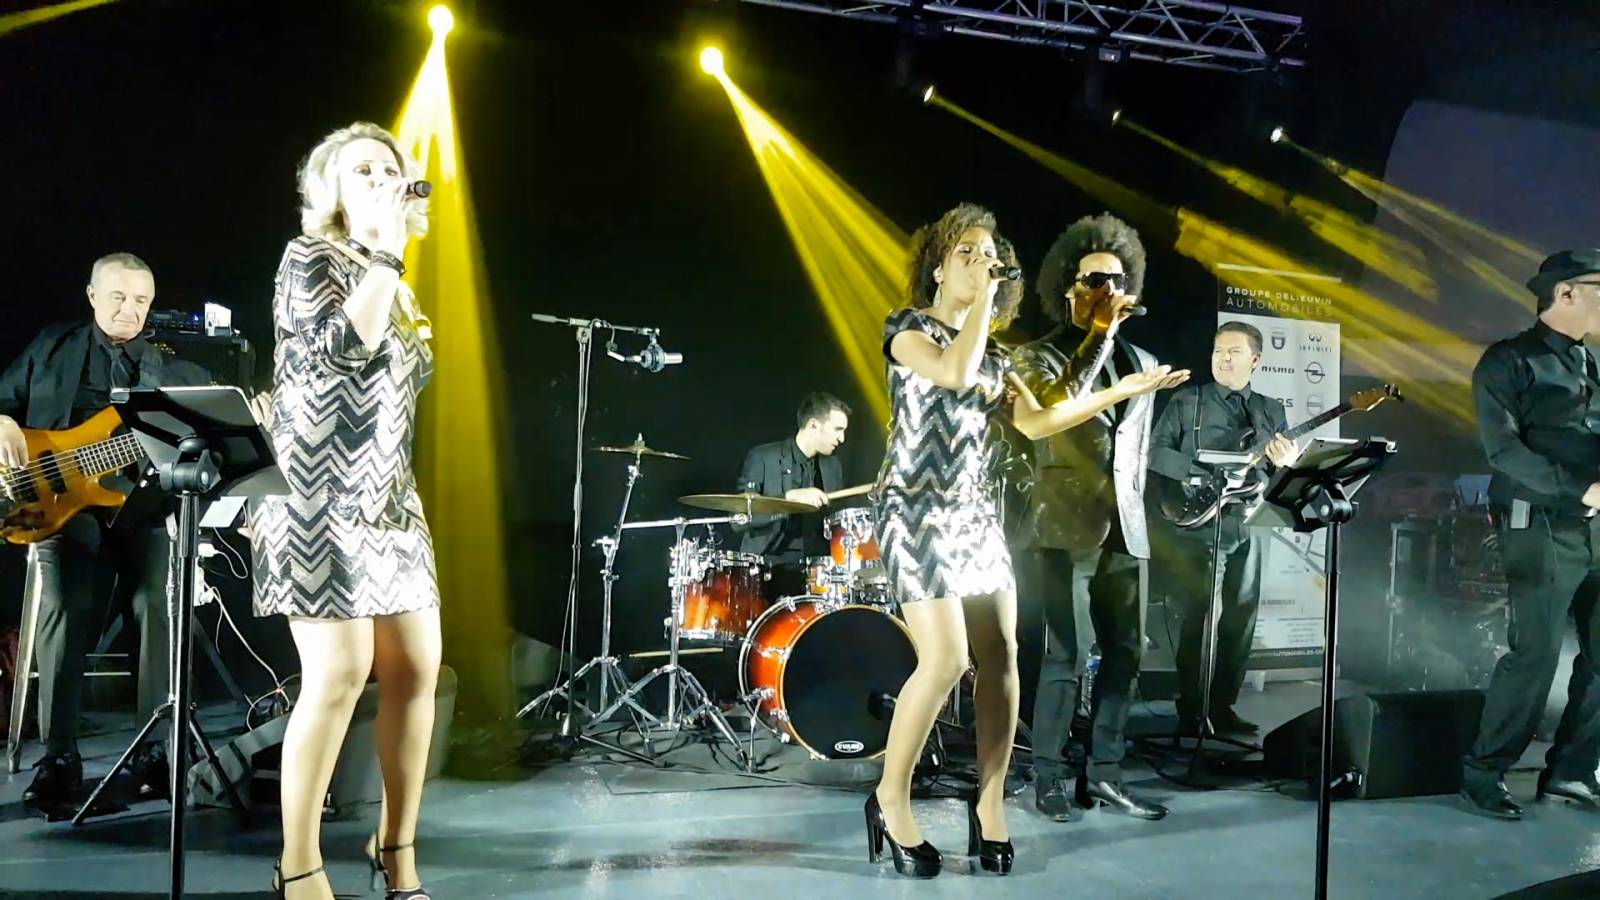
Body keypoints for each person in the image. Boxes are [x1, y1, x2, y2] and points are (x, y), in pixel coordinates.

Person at [866, 202, 1186, 878]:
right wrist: (985, 298)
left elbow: (1040, 421)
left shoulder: (995, 355)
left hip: (975, 513)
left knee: (1002, 655)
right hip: (915, 509)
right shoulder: (909, 329)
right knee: (946, 660)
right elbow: (952, 373)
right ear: (937, 268)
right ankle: (890, 800)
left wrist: (1119, 386)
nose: (981, 263)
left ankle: (990, 806)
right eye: (966, 253)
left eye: (990, 256)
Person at [251, 122, 439, 899]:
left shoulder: (395, 280)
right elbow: (340, 351)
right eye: (363, 170)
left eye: (390, 169)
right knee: (337, 675)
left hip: (389, 501)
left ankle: (396, 852)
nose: (382, 178)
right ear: (330, 189)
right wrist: (387, 257)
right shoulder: (309, 260)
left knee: (417, 671)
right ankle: (297, 864)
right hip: (316, 499)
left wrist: (390, 264)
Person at [0, 252, 209, 810]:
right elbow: (3, 401)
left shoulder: (173, 372)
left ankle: (153, 751)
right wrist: (3, 421)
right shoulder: (52, 347)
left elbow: (207, 438)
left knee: (157, 604)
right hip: (59, 509)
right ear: (92, 295)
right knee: (66, 607)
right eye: (117, 297)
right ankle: (58, 758)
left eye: (141, 301)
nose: (129, 310)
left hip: (139, 508)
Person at [1013, 213, 1172, 823]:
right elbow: (1057, 409)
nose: (1107, 290)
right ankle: (1048, 776)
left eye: (1116, 280)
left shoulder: (1145, 359)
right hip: (1062, 528)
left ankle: (1104, 774)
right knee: (1066, 656)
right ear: (1068, 289)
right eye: (1093, 280)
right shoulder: (1036, 357)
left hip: (1125, 526)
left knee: (1126, 654)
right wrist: (1100, 336)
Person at [1460, 248, 1600, 821]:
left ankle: (1571, 770)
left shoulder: (1594, 362)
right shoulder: (1508, 361)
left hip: (1595, 527)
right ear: (1566, 293)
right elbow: (1503, 451)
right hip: (1540, 524)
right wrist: (1582, 489)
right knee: (1535, 655)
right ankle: (1483, 772)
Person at [1148, 321, 1298, 738]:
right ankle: (1193, 709)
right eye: (1218, 352)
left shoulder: (1270, 409)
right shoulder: (1188, 401)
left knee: (1241, 617)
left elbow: (1277, 473)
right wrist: (1198, 472)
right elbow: (1155, 452)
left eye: (1234, 352)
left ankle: (1223, 706)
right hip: (1202, 523)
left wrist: (1285, 463)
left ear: (1256, 360)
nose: (1224, 359)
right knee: (1201, 617)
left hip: (1253, 522)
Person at [732, 391, 850, 597]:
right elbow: (738, 519)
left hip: (816, 575)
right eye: (837, 429)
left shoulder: (833, 466)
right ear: (814, 425)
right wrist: (789, 498)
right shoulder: (763, 457)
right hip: (767, 569)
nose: (842, 438)